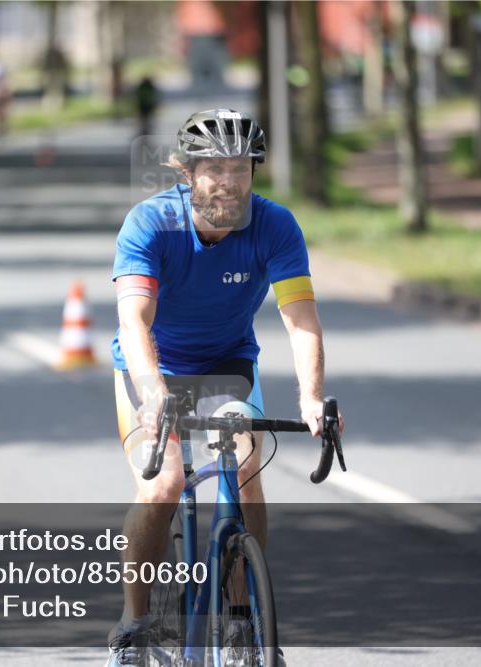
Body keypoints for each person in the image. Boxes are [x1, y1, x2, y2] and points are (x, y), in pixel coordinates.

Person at [105, 109, 345, 666]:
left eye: (240, 168)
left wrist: (311, 397)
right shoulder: (150, 223)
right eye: (215, 168)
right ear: (187, 172)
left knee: (246, 469)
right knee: (163, 487)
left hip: (228, 365)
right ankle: (134, 626)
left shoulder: (275, 225)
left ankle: (242, 621)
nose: (229, 181)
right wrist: (152, 391)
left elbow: (301, 321)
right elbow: (134, 322)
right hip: (154, 368)